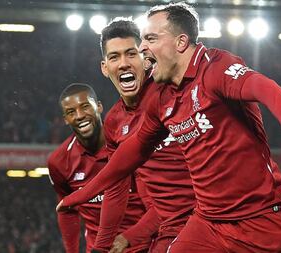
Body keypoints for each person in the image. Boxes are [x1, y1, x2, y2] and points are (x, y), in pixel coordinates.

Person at [58, 2, 281, 252]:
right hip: (209, 222)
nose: (143, 47)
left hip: (262, 217)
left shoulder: (215, 67)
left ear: (180, 42)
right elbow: (131, 154)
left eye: (151, 39)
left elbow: (257, 84)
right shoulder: (161, 97)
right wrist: (81, 195)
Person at [61, 19, 196, 253]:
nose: (123, 64)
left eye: (131, 54)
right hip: (171, 228)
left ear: (146, 57)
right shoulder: (113, 123)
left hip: (215, 215)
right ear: (105, 68)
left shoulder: (177, 95)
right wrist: (101, 247)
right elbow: (116, 187)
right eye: (114, 57)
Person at [48, 83, 154, 253]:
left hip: (144, 247)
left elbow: (158, 208)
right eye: (71, 112)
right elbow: (67, 211)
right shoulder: (59, 162)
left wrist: (129, 238)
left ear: (99, 107)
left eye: (85, 107)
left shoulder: (129, 146)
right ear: (65, 119)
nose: (79, 116)